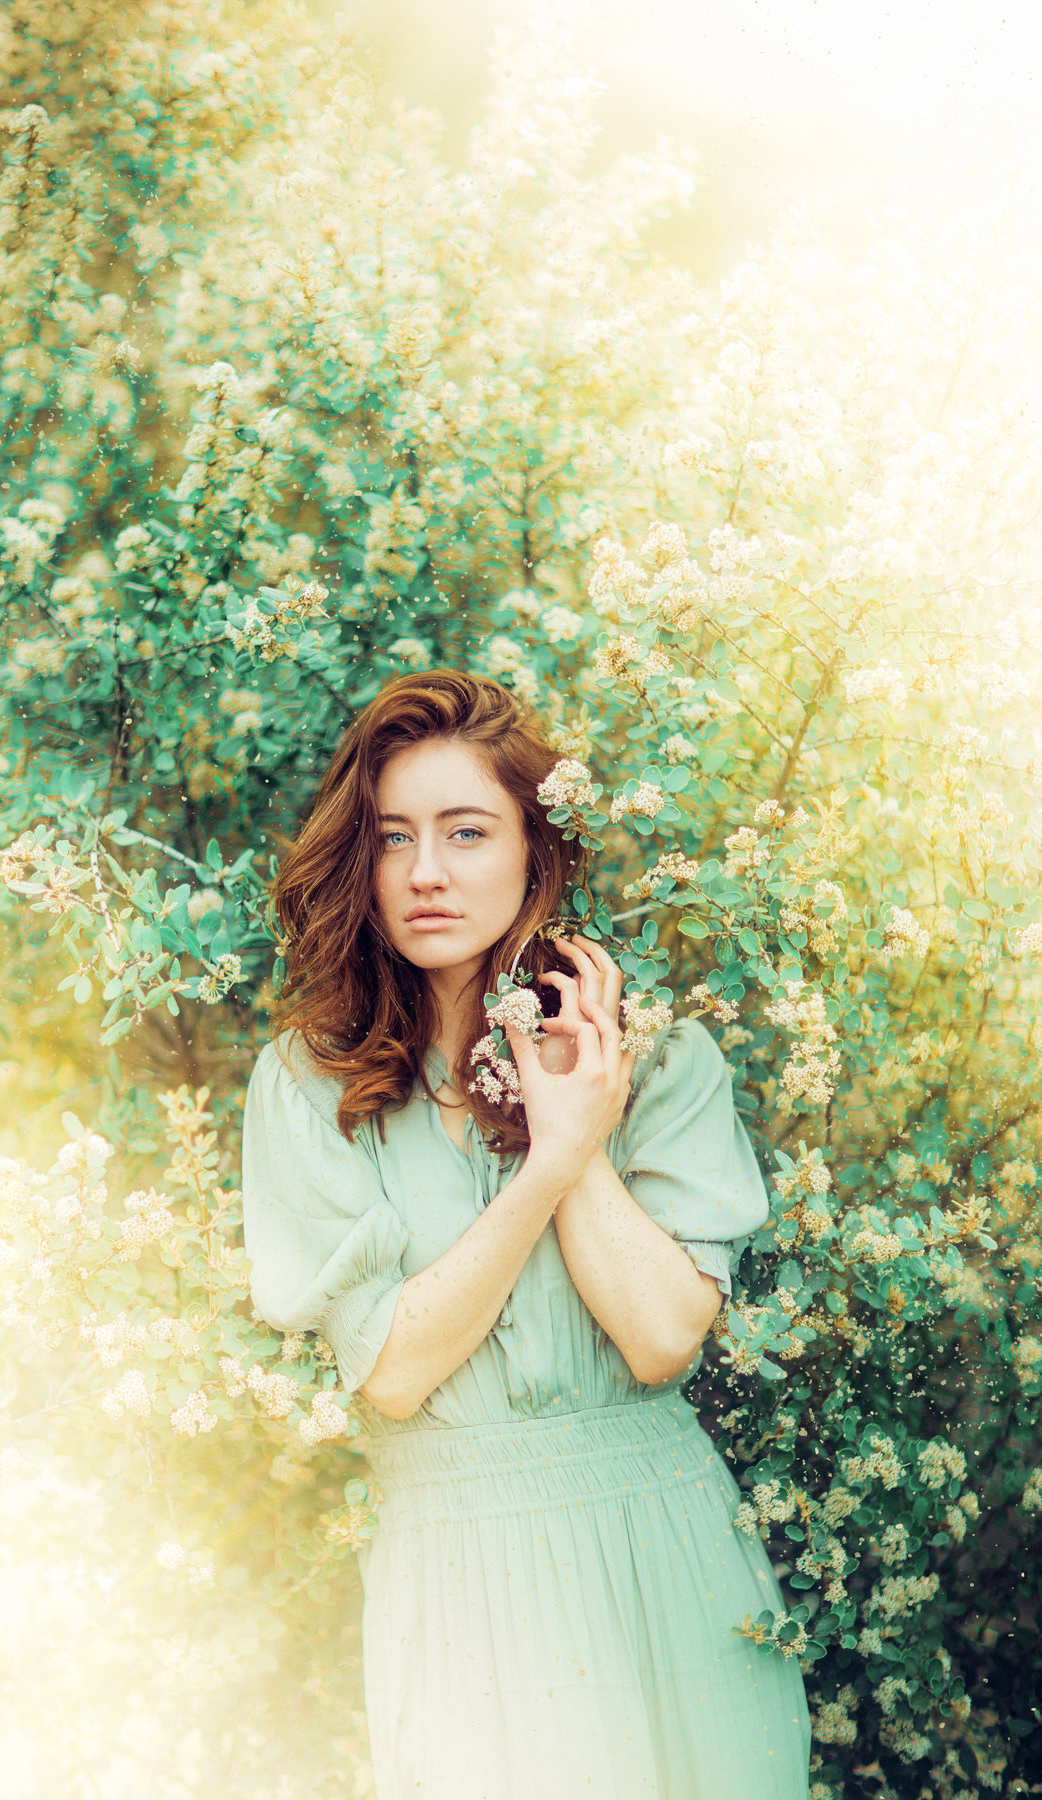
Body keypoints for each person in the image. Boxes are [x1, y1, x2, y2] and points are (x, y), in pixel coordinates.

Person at [241, 669, 811, 1799]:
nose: (426, 873)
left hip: (666, 1549)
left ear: (535, 855)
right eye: (393, 836)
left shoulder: (657, 1061)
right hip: (459, 1570)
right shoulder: (308, 1087)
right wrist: (549, 1164)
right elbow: (393, 1373)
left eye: (466, 831)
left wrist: (578, 1120)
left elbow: (658, 1340)